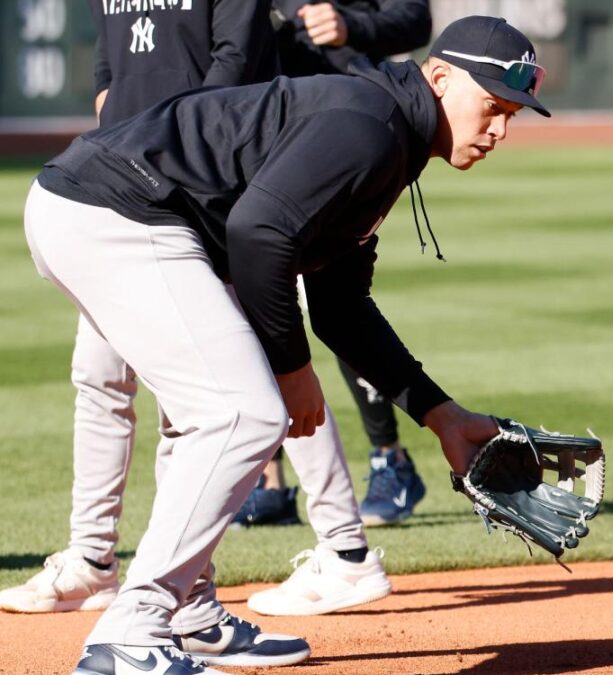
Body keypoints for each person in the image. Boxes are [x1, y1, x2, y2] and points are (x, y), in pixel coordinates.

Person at [24, 14, 548, 674]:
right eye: (493, 106)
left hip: (103, 208)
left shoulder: (386, 132)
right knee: (245, 414)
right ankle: (130, 633)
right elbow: (259, 233)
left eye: (512, 115)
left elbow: (343, 306)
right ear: (440, 77)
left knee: (202, 419)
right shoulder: (370, 126)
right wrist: (291, 367)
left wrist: (441, 415)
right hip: (115, 212)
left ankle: (185, 611)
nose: (500, 130)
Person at [1, 0, 395, 632]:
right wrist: (122, 135)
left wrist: (177, 143)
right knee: (100, 378)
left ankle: (344, 549)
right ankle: (93, 559)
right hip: (123, 188)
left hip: (202, 184)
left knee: (266, 367)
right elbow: (107, 67)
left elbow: (238, 61)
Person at [237, 0, 433, 530]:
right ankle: (268, 479)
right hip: (267, 118)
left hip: (350, 125)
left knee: (332, 297)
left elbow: (416, 18)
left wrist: (353, 25)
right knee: (252, 297)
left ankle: (390, 459)